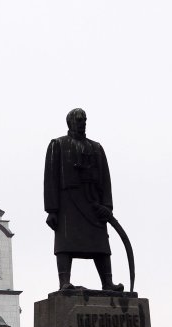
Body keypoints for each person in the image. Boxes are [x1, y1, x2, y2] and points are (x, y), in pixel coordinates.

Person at [44, 108, 123, 291]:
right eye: (79, 120)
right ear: (70, 122)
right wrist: (52, 210)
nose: (82, 123)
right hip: (68, 203)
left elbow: (105, 179)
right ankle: (64, 282)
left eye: (84, 120)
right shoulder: (58, 145)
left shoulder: (96, 148)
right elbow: (51, 179)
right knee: (65, 243)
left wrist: (107, 206)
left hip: (93, 202)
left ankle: (107, 282)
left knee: (101, 243)